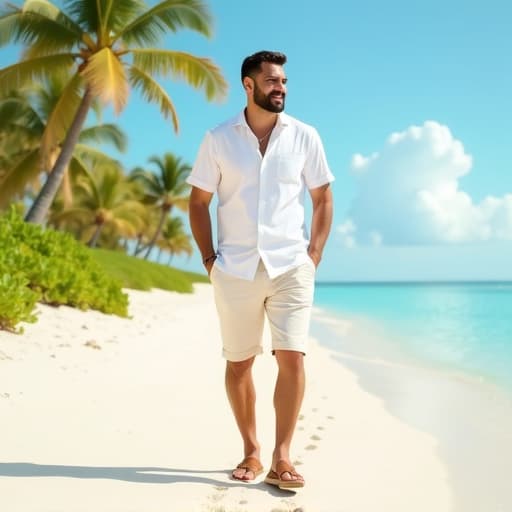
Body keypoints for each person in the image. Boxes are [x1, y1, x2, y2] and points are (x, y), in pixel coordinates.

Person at [187, 50, 334, 490]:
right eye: (272, 81)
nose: (281, 88)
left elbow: (322, 197)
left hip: (291, 266)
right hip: (234, 268)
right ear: (248, 86)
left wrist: (314, 254)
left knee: (292, 356)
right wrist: (209, 259)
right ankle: (251, 450)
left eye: (284, 81)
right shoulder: (218, 138)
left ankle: (282, 457)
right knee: (239, 363)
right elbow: (198, 202)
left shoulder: (305, 136)